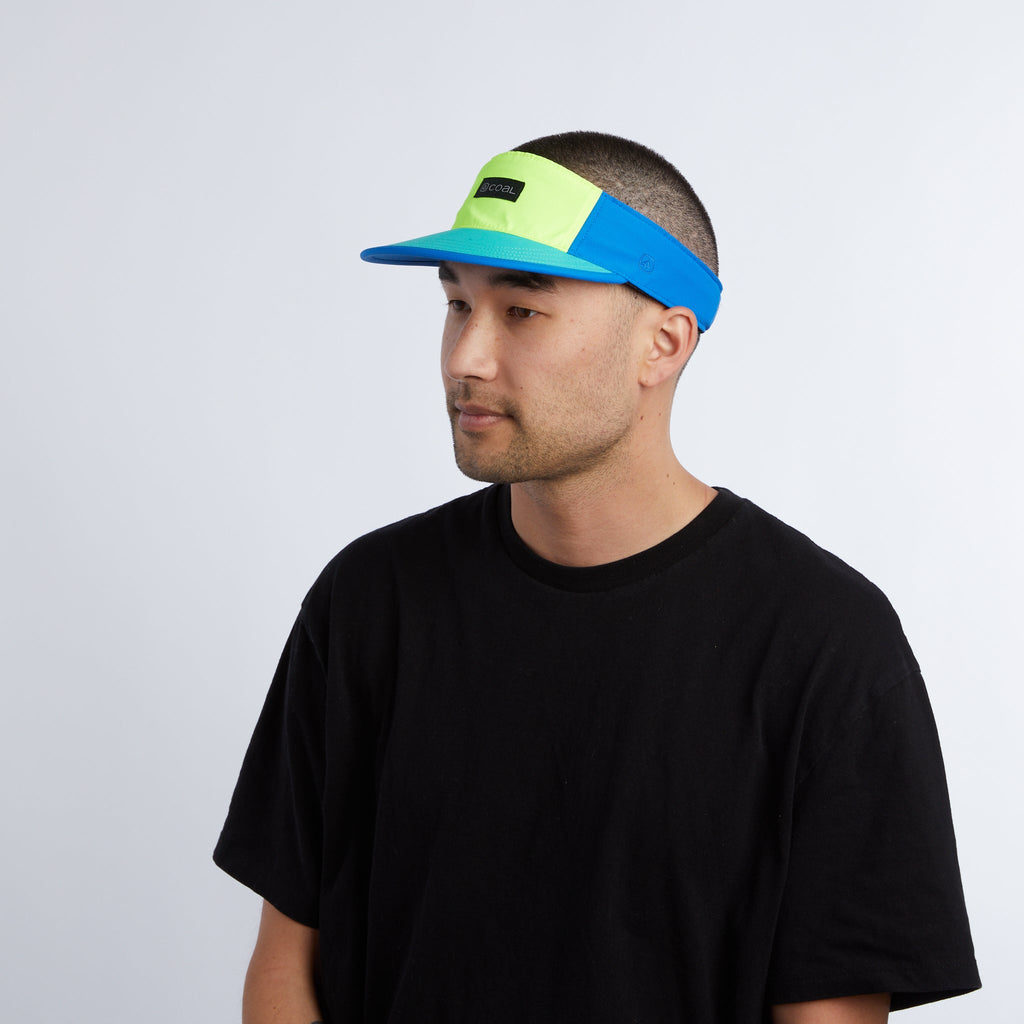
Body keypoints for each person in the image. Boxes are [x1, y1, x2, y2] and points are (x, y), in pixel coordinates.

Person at [214, 132, 980, 1024]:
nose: (465, 357)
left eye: (521, 311)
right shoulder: (369, 601)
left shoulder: (824, 646)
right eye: (457, 305)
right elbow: (284, 968)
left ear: (663, 343)